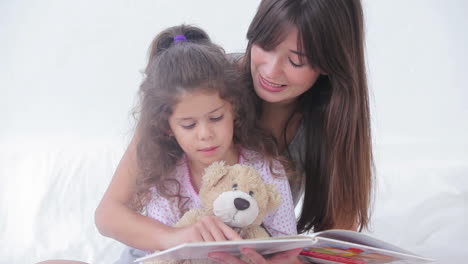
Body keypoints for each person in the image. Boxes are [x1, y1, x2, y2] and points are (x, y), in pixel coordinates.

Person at [97, 0, 373, 263]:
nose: (271, 71)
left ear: (329, 63)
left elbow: (337, 247)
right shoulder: (205, 83)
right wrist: (177, 238)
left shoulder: (331, 125)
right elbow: (109, 213)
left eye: (296, 61)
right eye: (265, 45)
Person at [92, 24, 298, 263]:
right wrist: (176, 237)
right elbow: (157, 254)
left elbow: (288, 248)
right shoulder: (165, 179)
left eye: (216, 118)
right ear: (167, 127)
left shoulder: (264, 168)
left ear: (234, 108)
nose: (205, 134)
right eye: (188, 125)